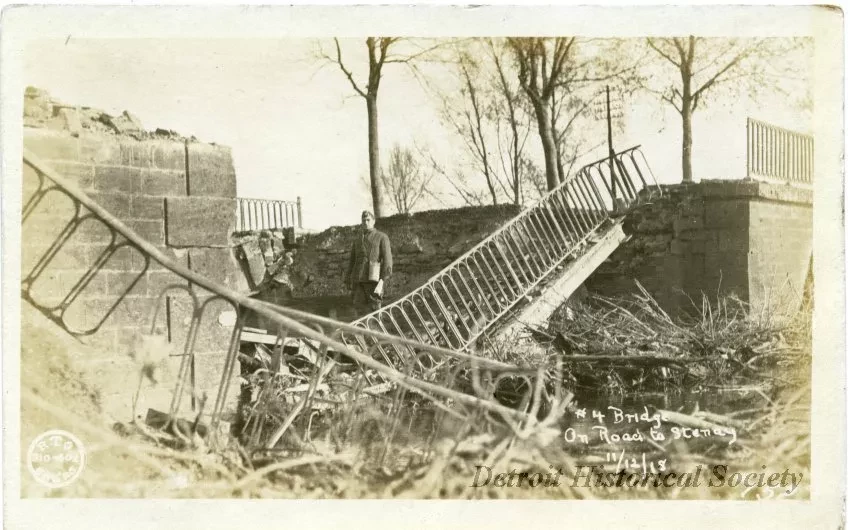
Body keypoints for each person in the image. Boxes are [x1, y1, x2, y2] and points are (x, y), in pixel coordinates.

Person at [345, 210, 393, 317]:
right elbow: (352, 261)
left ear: (374, 221)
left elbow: (388, 261)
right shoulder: (357, 240)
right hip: (358, 282)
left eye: (368, 220)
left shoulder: (382, 237)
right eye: (363, 220)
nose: (366, 223)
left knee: (374, 312)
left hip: (374, 282)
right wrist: (348, 278)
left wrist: (382, 282)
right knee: (359, 312)